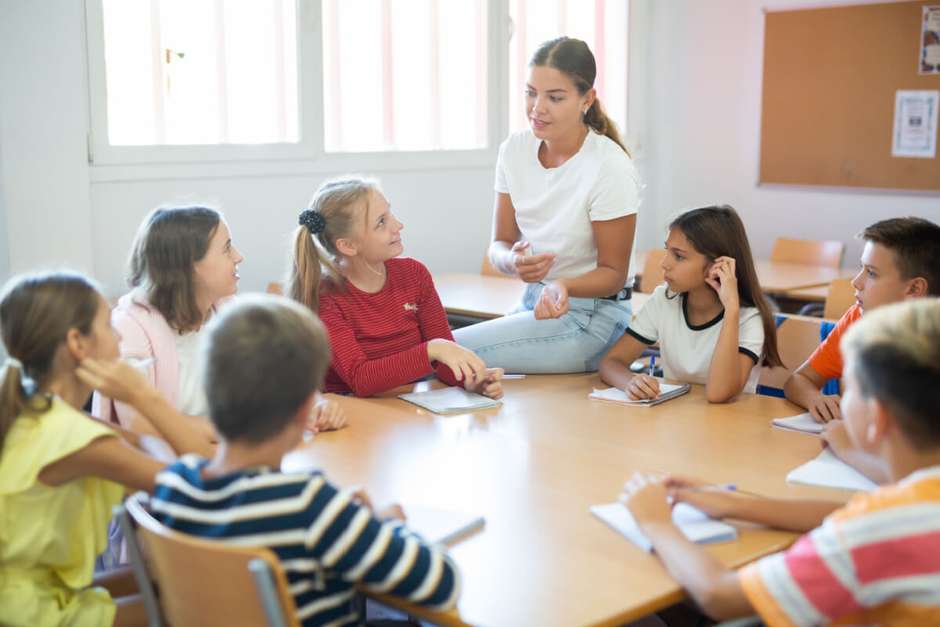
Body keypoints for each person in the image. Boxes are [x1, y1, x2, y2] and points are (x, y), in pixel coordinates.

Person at [622, 298, 940, 626]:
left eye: (851, 390)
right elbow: (855, 511)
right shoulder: (909, 507)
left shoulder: (874, 534)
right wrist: (736, 505)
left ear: (877, 419)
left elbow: (719, 596)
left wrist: (655, 522)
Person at [152, 295, 461, 626]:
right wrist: (387, 522)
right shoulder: (308, 504)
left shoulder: (173, 486)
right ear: (305, 410)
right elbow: (441, 583)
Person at [0, 271, 202, 627]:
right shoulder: (75, 438)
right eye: (109, 325)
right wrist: (144, 396)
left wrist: (150, 436)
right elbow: (199, 483)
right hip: (31, 614)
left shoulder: (39, 413)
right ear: (78, 343)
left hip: (30, 596)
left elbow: (158, 453)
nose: (119, 335)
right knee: (207, 607)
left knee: (166, 586)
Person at [452, 36, 641, 373]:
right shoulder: (514, 151)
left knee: (447, 353)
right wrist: (511, 261)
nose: (537, 107)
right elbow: (499, 244)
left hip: (593, 318)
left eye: (555, 97)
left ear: (587, 99)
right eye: (530, 92)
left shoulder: (609, 166)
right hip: (534, 304)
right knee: (445, 356)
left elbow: (614, 275)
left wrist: (563, 284)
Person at [94, 206, 347, 447]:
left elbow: (277, 375)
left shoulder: (225, 308)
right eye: (227, 248)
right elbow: (140, 426)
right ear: (189, 265)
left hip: (224, 456)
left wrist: (313, 404)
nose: (239, 256)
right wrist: (239, 428)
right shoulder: (128, 328)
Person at [287, 176, 503, 398]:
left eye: (390, 214)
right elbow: (360, 379)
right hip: (355, 409)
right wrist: (432, 349)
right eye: (381, 222)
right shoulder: (326, 297)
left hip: (408, 400)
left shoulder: (414, 274)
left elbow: (445, 365)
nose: (398, 225)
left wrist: (471, 381)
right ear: (348, 245)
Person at [782, 217, 940, 481]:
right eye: (861, 269)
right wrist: (814, 399)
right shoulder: (859, 316)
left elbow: (919, 477)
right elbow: (799, 379)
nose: (856, 281)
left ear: (914, 288)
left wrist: (846, 447)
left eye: (872, 273)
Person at [599, 206, 781, 402]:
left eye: (679, 256)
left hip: (728, 426)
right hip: (675, 420)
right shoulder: (664, 299)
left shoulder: (748, 318)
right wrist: (630, 382)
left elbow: (718, 393)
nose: (664, 263)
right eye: (667, 250)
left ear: (717, 266)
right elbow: (611, 362)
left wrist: (731, 309)